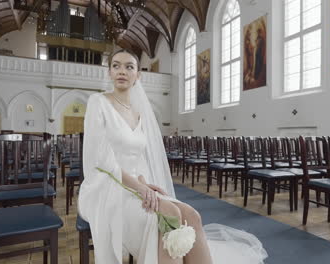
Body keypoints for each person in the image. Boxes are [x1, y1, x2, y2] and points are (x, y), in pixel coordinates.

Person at [78, 49, 268, 264]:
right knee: (168, 213)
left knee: (192, 215)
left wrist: (145, 183)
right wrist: (140, 188)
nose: (122, 71)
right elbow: (101, 160)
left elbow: (137, 159)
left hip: (136, 185)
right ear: (110, 73)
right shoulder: (98, 102)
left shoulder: (138, 112)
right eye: (116, 65)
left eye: (129, 66)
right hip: (105, 187)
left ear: (138, 75)